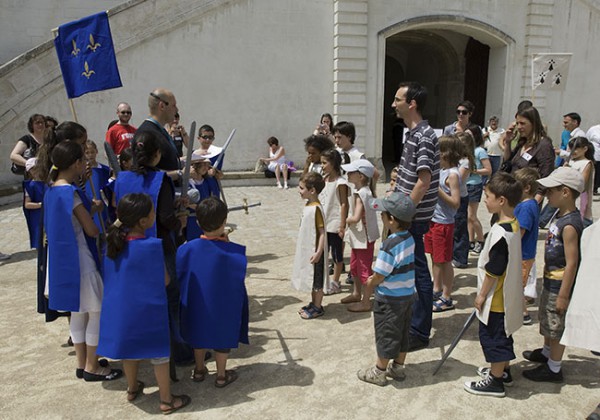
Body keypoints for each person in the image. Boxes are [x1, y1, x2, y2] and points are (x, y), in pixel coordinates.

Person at [99, 193, 191, 414]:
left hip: (122, 311)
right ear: (143, 221)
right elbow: (165, 280)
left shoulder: (111, 245)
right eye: (152, 212)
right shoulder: (151, 246)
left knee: (130, 352)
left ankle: (132, 388)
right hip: (149, 311)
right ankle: (166, 400)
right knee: (159, 355)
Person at [43, 140, 122, 382]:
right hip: (81, 260)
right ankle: (92, 366)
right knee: (95, 312)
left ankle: (82, 363)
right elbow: (91, 230)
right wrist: (95, 211)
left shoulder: (51, 189)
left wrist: (92, 208)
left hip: (61, 262)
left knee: (78, 314)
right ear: (77, 163)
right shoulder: (71, 193)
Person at [114, 131, 191, 368]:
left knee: (138, 301)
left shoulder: (121, 179)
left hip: (128, 247)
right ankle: (180, 351)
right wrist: (180, 223)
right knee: (171, 298)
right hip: (159, 246)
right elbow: (165, 217)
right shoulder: (160, 179)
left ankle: (143, 355)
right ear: (156, 154)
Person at [463, 172, 523, 397]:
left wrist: (481, 296)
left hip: (497, 299)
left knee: (494, 338)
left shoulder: (500, 234)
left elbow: (493, 270)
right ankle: (503, 370)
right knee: (503, 335)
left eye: (488, 196)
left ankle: (495, 381)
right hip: (505, 297)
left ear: (501, 201)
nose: (485, 200)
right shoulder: (512, 224)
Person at [179, 197, 249, 388]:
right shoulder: (232, 252)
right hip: (222, 305)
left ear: (198, 222)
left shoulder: (186, 249)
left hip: (196, 303)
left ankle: (199, 369)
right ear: (225, 221)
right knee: (222, 336)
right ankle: (220, 375)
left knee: (197, 335)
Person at [522, 167, 584, 383]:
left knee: (556, 326)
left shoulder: (570, 225)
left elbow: (572, 262)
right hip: (551, 280)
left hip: (560, 284)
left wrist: (564, 295)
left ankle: (554, 368)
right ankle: (547, 353)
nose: (547, 194)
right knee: (548, 321)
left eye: (551, 191)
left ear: (565, 192)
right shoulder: (560, 215)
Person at [391, 81, 440, 351]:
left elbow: (423, 180)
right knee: (409, 270)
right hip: (407, 213)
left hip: (414, 217)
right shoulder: (412, 133)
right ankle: (413, 321)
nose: (393, 104)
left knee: (419, 271)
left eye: (397, 99)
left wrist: (404, 213)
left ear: (412, 104)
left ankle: (420, 331)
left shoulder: (424, 136)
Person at [356, 192, 417, 386]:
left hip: (390, 298)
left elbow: (381, 274)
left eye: (383, 214)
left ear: (391, 220)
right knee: (403, 333)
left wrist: (371, 282)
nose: (381, 216)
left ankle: (379, 371)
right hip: (407, 295)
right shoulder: (410, 238)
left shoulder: (389, 245)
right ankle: (398, 367)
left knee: (387, 334)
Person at [428, 136, 461, 312]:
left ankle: (446, 296)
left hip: (444, 223)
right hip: (434, 220)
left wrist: (437, 190)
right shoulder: (441, 170)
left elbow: (456, 202)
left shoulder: (452, 175)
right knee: (434, 257)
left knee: (445, 260)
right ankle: (436, 288)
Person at [342, 159, 380, 311]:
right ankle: (357, 293)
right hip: (361, 237)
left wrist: (344, 219)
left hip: (363, 238)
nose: (348, 174)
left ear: (361, 176)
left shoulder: (360, 194)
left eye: (351, 172)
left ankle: (366, 301)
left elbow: (356, 217)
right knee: (355, 266)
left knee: (364, 270)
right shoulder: (366, 191)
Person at [292, 172, 330, 319]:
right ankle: (313, 303)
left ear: (312, 190)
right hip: (310, 251)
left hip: (316, 253)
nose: (299, 190)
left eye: (302, 188)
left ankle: (318, 306)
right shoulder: (309, 205)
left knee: (317, 281)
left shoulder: (316, 209)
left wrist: (319, 251)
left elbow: (322, 233)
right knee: (311, 278)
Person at [502, 106, 554, 203]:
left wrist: (533, 204)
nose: (519, 127)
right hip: (511, 195)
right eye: (517, 123)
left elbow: (546, 177)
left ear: (534, 123)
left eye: (522, 123)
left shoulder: (544, 145)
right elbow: (507, 161)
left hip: (527, 200)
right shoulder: (522, 142)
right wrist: (508, 143)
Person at [513, 168, 540, 325]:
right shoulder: (531, 204)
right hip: (525, 253)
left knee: (517, 285)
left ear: (527, 188)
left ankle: (523, 314)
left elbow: (519, 233)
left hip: (522, 253)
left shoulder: (525, 207)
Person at [135, 89, 182, 181]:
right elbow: (145, 174)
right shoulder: (147, 133)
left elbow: (166, 162)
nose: (176, 110)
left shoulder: (159, 130)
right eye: (173, 105)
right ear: (162, 106)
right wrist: (180, 174)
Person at [319, 149, 349, 293]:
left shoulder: (340, 183)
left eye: (325, 163)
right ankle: (325, 280)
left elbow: (344, 203)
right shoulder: (323, 180)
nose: (322, 166)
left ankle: (336, 282)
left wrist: (342, 225)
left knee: (337, 255)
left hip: (335, 223)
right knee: (324, 253)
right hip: (323, 223)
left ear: (333, 163)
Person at [466, 125, 492, 254]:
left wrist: (474, 171)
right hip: (465, 184)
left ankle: (480, 240)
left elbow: (488, 170)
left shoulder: (480, 151)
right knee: (467, 216)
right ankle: (470, 241)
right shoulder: (467, 150)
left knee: (472, 216)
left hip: (474, 185)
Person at [452, 132, 475, 268]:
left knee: (460, 227)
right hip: (453, 196)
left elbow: (457, 179)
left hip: (460, 197)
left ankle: (461, 258)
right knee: (454, 226)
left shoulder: (466, 162)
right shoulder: (455, 160)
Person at [185, 153, 220, 242]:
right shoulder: (186, 182)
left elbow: (215, 197)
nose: (205, 167)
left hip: (206, 217)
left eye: (206, 165)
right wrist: (189, 204)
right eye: (202, 165)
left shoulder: (208, 181)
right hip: (192, 219)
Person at [565, 136, 595, 227]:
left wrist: (569, 171)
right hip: (569, 195)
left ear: (585, 149)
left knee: (581, 220)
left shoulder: (587, 163)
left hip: (581, 196)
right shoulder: (570, 161)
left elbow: (582, 182)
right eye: (571, 148)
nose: (573, 151)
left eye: (576, 148)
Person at [84, 140, 110, 231]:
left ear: (96, 152)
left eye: (92, 152)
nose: (90, 155)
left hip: (103, 203)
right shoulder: (82, 171)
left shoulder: (105, 170)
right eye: (87, 153)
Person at [22, 159, 46, 249]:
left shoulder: (47, 182)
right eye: (33, 169)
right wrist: (40, 205)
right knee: (40, 239)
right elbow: (27, 204)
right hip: (37, 216)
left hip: (47, 214)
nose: (37, 170)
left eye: (38, 168)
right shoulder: (31, 185)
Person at [585, 123, 600, 195]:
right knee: (595, 173)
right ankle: (593, 189)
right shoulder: (593, 129)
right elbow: (587, 140)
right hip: (595, 156)